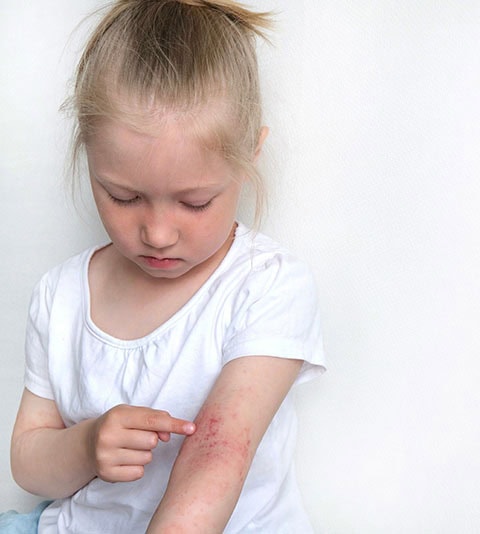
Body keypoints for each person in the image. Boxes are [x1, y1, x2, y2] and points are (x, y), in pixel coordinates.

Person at [7, 1, 326, 532]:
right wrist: (86, 445)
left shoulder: (267, 286)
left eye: (194, 203)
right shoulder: (61, 294)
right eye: (123, 196)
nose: (157, 233)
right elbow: (29, 463)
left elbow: (217, 459)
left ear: (251, 153)